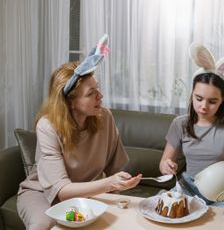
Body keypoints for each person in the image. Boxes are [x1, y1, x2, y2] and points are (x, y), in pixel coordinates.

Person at [17, 35, 142, 230]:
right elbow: (61, 191)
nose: (100, 96)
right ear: (70, 102)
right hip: (43, 195)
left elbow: (115, 171)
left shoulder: (105, 118)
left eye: (97, 88)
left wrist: (120, 189)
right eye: (91, 93)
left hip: (86, 196)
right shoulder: (47, 126)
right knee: (44, 225)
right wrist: (110, 184)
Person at [159, 42, 224, 206]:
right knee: (161, 211)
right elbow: (164, 162)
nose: (203, 106)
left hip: (221, 190)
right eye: (198, 98)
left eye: (212, 101)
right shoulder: (180, 124)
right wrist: (166, 166)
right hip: (188, 187)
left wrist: (207, 188)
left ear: (222, 100)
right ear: (192, 94)